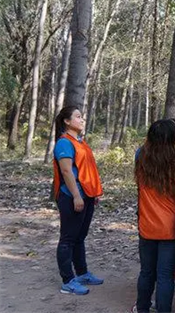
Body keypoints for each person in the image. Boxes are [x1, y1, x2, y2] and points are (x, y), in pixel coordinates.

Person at [134, 119, 175, 313]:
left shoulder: (141, 155)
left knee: (147, 272)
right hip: (170, 226)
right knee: (165, 275)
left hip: (147, 224)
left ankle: (143, 308)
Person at [52, 106, 104, 295]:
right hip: (71, 196)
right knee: (68, 238)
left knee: (79, 237)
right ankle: (68, 280)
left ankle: (81, 273)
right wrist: (76, 195)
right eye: (78, 117)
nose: (82, 120)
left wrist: (94, 192)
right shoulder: (64, 143)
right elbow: (66, 171)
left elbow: (87, 170)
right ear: (67, 121)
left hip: (87, 195)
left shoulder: (81, 142)